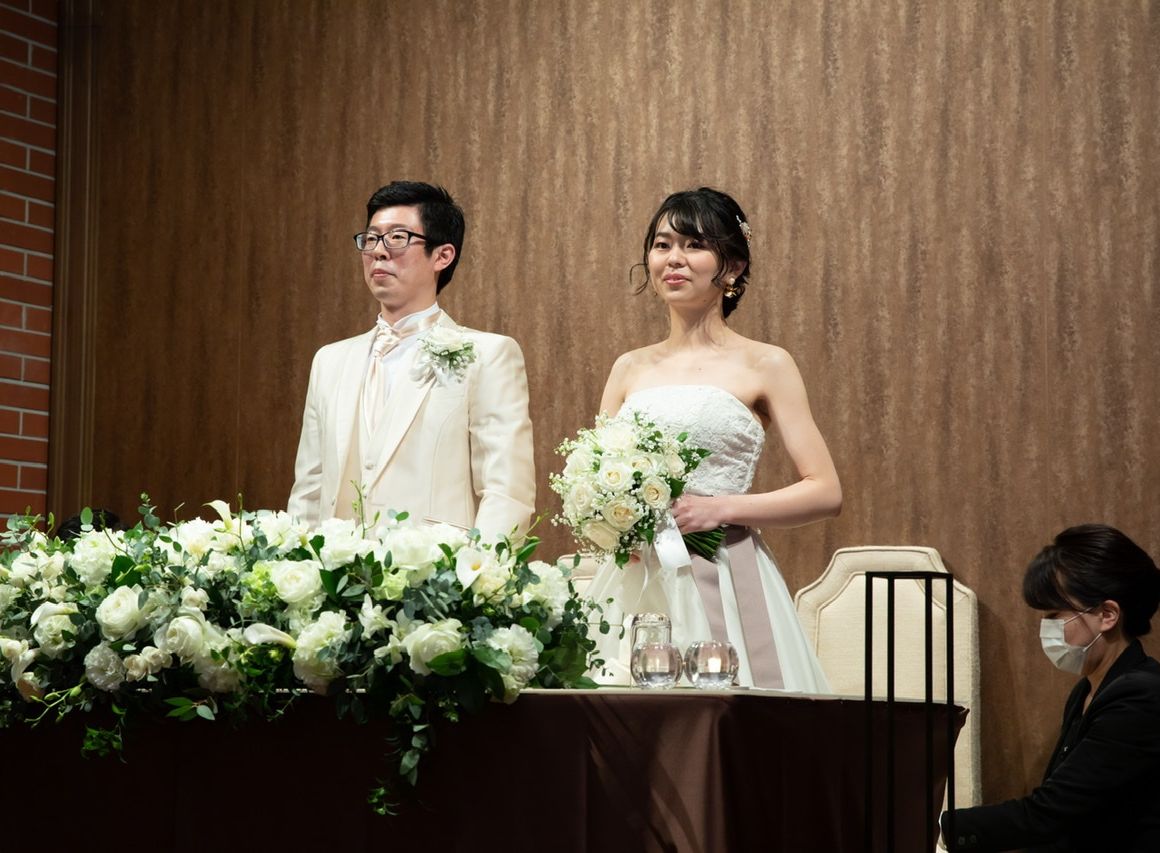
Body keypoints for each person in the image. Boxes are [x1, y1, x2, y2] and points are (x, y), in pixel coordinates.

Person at [586, 187, 841, 691]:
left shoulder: (766, 363)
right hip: (636, 577)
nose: (673, 259)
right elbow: (595, 481)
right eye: (662, 245)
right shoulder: (628, 367)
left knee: (729, 713)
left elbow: (825, 491)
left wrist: (719, 509)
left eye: (694, 245)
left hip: (724, 568)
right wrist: (611, 524)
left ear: (733, 267)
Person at [288, 181, 535, 541]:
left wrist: (474, 572)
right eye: (371, 239)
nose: (378, 251)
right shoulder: (330, 361)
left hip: (439, 572)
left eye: (397, 238)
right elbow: (309, 492)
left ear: (442, 256)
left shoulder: (488, 355)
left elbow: (506, 492)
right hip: (334, 570)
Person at [940, 524, 1160, 852]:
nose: (1047, 629)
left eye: (1056, 614)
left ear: (1108, 615)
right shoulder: (1086, 691)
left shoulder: (1141, 696)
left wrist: (938, 827)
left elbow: (1048, 815)